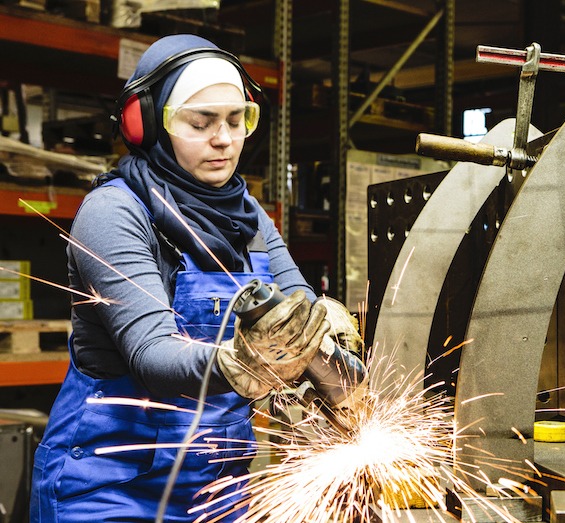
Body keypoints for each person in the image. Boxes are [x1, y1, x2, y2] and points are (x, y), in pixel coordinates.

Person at [30, 34, 360, 523]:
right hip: (110, 491)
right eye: (200, 122)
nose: (224, 140)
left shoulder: (248, 217)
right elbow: (151, 353)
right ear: (147, 124)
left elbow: (299, 312)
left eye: (236, 120)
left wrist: (329, 342)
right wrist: (237, 364)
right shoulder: (115, 212)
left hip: (218, 492)